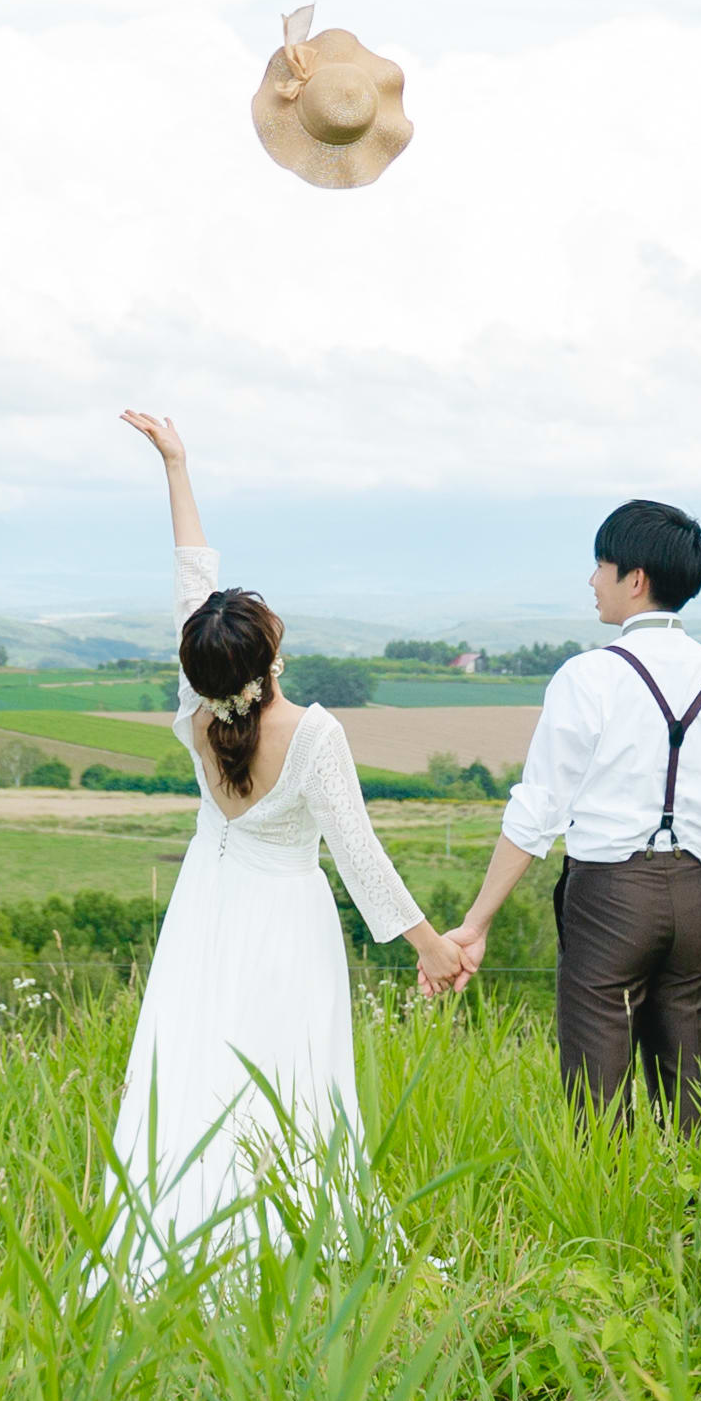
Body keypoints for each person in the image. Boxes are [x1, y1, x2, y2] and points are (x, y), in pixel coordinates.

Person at [99, 408, 455, 1281]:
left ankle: (180, 1234)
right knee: (290, 1071)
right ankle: (289, 1242)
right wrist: (433, 948)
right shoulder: (314, 734)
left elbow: (191, 580)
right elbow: (361, 858)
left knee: (195, 1063)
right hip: (286, 921)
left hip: (204, 904)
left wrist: (176, 466)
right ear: (269, 658)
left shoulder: (195, 705)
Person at [436, 496, 701, 1122]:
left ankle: (608, 1189)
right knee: (692, 1098)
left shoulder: (587, 676)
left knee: (598, 1104)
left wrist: (477, 923)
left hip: (608, 897)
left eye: (601, 565)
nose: (592, 580)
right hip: (693, 895)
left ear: (635, 578)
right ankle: (699, 1191)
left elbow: (537, 812)